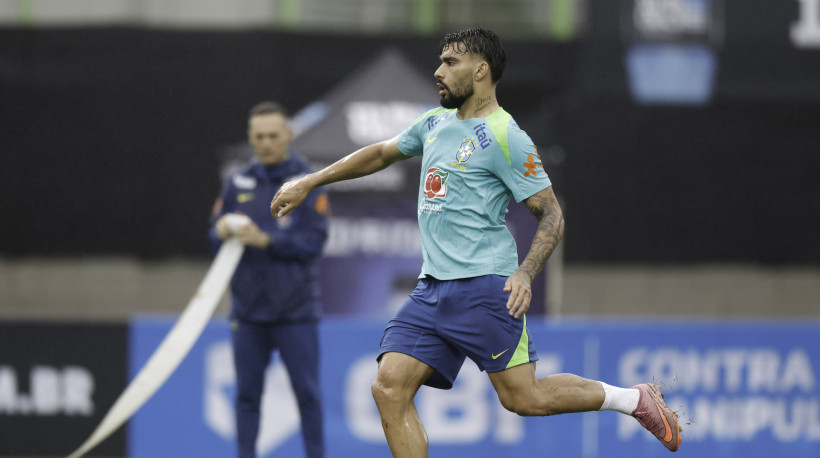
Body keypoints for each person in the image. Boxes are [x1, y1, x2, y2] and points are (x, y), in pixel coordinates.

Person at [270, 28, 682, 456]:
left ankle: (634, 400)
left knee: (524, 398)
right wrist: (312, 180)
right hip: (432, 289)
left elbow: (552, 214)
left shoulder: (507, 136)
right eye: (440, 61)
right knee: (389, 387)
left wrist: (525, 272)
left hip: (484, 288)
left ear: (481, 70)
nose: (438, 71)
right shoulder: (434, 123)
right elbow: (378, 154)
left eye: (450, 62)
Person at [210, 101, 329, 458]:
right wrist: (221, 230)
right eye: (258, 136)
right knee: (246, 397)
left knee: (307, 396)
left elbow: (315, 241)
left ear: (288, 135)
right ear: (250, 138)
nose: (265, 143)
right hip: (248, 313)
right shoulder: (237, 182)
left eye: (272, 135)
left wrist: (268, 241)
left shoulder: (308, 182)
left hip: (296, 312)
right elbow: (214, 238)